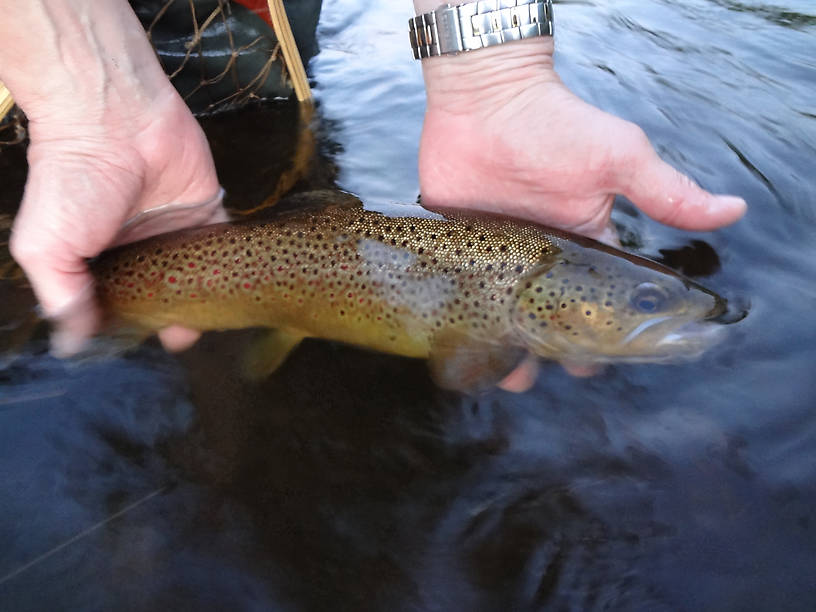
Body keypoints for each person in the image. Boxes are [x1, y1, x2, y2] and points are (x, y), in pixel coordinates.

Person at [0, 0, 746, 390]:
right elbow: (462, 373)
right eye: (648, 301)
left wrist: (499, 80)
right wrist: (83, 109)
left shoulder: (524, 291)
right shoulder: (513, 309)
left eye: (646, 300)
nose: (662, 306)